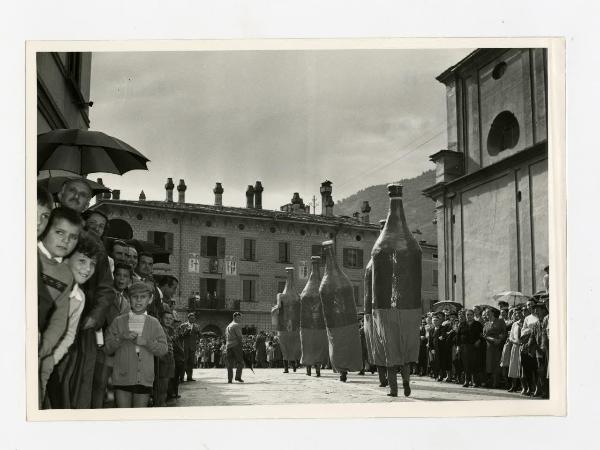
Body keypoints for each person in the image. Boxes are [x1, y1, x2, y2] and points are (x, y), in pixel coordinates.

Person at [41, 232, 100, 407]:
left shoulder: (79, 298)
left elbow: (69, 335)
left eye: (92, 264)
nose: (88, 268)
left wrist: (51, 361)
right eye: (82, 261)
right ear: (66, 258)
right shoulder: (44, 282)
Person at [104, 281, 168, 408]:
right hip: (122, 378)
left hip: (144, 379)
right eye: (135, 297)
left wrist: (146, 342)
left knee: (138, 418)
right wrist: (121, 337)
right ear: (128, 299)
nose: (138, 301)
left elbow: (163, 349)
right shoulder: (118, 321)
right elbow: (107, 348)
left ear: (150, 300)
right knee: (124, 417)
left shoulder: (154, 323)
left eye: (143, 297)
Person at [38, 207, 81, 365]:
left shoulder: (66, 275)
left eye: (73, 237)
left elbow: (59, 318)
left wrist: (44, 348)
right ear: (46, 228)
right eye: (60, 232)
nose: (66, 240)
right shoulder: (26, 253)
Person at [457, 309, 484, 387]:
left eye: (471, 315)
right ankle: (466, 381)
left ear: (473, 315)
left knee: (474, 364)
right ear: (465, 316)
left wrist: (479, 341)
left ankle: (474, 381)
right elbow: (458, 336)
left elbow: (482, 335)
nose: (469, 316)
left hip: (474, 346)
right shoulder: (462, 324)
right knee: (466, 364)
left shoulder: (478, 324)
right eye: (467, 315)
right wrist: (458, 346)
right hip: (464, 347)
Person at [155, 310, 176, 407]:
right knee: (162, 385)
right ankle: (161, 404)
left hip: (169, 359)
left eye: (170, 319)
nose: (168, 320)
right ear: (161, 319)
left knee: (166, 384)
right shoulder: (160, 329)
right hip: (163, 359)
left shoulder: (170, 330)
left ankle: (162, 402)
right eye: (166, 318)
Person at [483, 307, 507, 388]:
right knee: (490, 363)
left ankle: (497, 382)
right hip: (489, 346)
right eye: (486, 312)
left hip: (498, 345)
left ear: (493, 313)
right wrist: (492, 339)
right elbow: (484, 335)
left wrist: (500, 339)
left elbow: (504, 332)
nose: (486, 313)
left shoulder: (500, 321)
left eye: (488, 312)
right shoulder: (486, 323)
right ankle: (492, 382)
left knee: (497, 363)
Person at [179, 313, 201, 381]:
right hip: (185, 346)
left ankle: (189, 377)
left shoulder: (197, 326)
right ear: (188, 318)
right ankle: (182, 377)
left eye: (193, 318)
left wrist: (198, 332)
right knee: (184, 362)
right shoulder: (183, 326)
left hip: (192, 346)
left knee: (191, 362)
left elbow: (200, 336)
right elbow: (181, 336)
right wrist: (186, 332)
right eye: (191, 318)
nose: (192, 319)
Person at [225, 312, 245, 383]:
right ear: (234, 317)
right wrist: (241, 345)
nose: (240, 319)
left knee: (229, 364)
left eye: (240, 318)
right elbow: (239, 337)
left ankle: (229, 379)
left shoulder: (228, 326)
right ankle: (238, 377)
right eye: (238, 317)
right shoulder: (236, 325)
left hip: (228, 345)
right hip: (236, 345)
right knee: (240, 362)